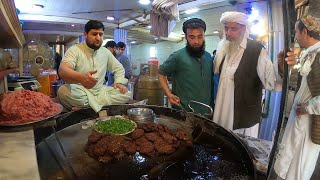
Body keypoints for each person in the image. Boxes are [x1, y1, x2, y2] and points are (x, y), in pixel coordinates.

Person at [212, 11, 295, 137]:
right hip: (221, 108)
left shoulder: (257, 50)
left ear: (244, 29)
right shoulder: (222, 47)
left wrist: (280, 66)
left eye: (233, 29)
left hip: (243, 116)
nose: (228, 33)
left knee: (241, 147)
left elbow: (270, 80)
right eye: (226, 28)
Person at [273, 15, 320, 180]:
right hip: (300, 116)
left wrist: (309, 107)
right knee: (290, 160)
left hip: (311, 121)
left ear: (305, 32)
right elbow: (303, 75)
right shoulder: (310, 53)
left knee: (301, 165)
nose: (295, 36)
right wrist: (286, 64)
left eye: (296, 32)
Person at [57, 20, 131, 112]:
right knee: (63, 91)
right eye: (94, 34)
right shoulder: (75, 50)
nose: (98, 38)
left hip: (100, 91)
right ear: (85, 34)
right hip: (81, 92)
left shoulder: (105, 52)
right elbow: (63, 70)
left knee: (126, 93)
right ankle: (98, 105)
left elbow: (118, 68)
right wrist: (81, 77)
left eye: (101, 34)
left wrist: (119, 83)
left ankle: (87, 106)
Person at [158, 18, 213, 114]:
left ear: (204, 36)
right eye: (192, 37)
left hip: (206, 111)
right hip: (184, 111)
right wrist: (169, 94)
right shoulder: (178, 56)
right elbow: (161, 73)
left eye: (200, 37)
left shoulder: (208, 57)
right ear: (186, 37)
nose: (196, 41)